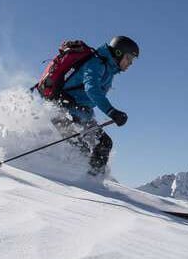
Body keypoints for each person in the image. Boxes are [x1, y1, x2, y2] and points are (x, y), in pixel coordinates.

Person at [50, 35, 138, 175]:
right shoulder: (96, 63)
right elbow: (92, 89)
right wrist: (112, 112)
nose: (130, 63)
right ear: (118, 53)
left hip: (82, 114)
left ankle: (92, 181)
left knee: (104, 143)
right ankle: (78, 181)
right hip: (63, 112)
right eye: (129, 58)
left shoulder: (108, 69)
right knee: (81, 150)